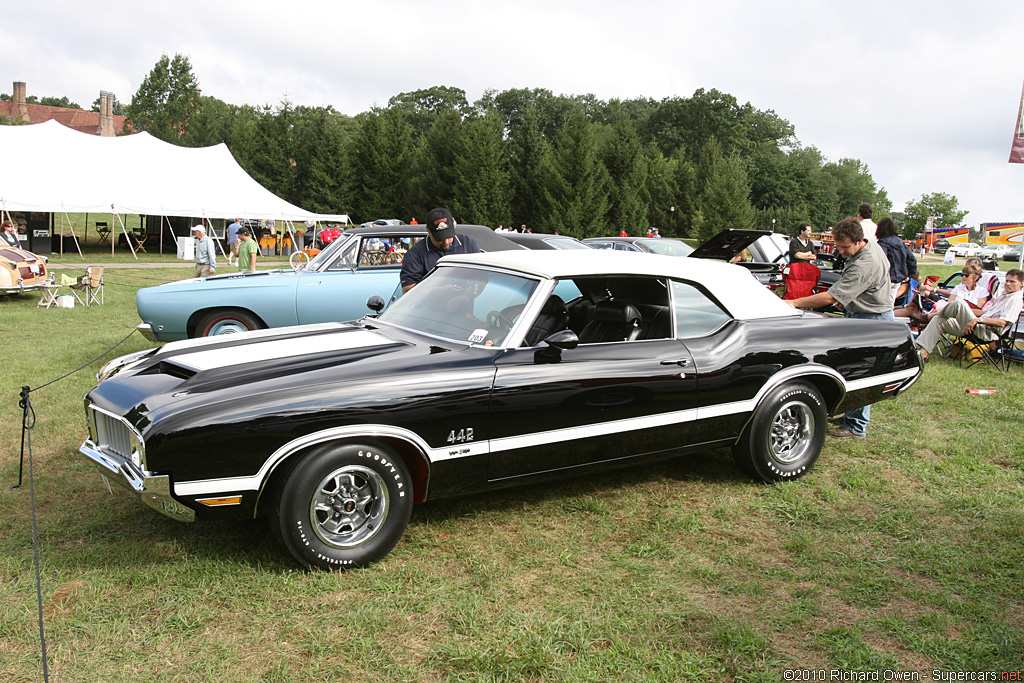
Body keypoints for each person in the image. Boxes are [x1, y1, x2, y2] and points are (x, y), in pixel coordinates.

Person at [785, 217, 892, 439]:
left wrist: (794, 302)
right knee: (853, 368)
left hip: (872, 319)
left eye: (845, 247)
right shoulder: (869, 246)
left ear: (859, 241)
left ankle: (856, 426)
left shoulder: (865, 264)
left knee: (862, 372)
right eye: (838, 246)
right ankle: (851, 417)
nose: (840, 251)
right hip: (863, 315)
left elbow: (831, 296)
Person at [914, 269, 1023, 362]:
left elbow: (1003, 322)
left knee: (959, 303)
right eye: (1007, 281)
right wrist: (965, 312)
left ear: (1021, 284)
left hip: (988, 332)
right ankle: (923, 353)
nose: (1008, 284)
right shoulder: (1003, 296)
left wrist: (978, 320)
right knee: (939, 319)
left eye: (1012, 282)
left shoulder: (1016, 299)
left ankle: (929, 317)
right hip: (974, 327)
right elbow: (982, 312)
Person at [400, 207, 481, 293]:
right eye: (440, 238)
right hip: (428, 305)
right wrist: (440, 291)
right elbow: (408, 290)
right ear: (429, 232)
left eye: (448, 236)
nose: (445, 242)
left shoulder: (468, 245)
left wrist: (466, 295)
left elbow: (482, 278)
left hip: (464, 303)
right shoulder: (415, 254)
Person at [875, 217, 917, 305]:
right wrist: (910, 275)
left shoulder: (882, 244)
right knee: (890, 304)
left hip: (886, 279)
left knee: (881, 304)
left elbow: (879, 261)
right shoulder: (901, 243)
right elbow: (912, 260)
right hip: (899, 279)